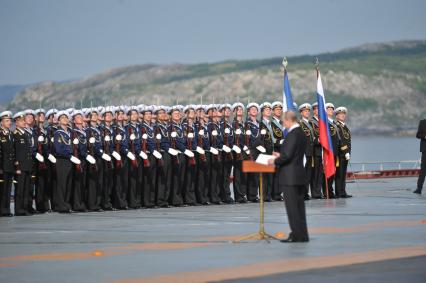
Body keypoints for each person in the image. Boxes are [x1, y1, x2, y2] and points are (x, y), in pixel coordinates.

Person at [269, 110, 309, 243]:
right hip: (299, 175)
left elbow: (287, 156)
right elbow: (294, 154)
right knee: (299, 208)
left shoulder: (293, 134)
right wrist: (282, 156)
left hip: (290, 177)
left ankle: (297, 235)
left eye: (284, 121)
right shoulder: (301, 133)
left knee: (292, 208)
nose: (283, 124)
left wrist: (274, 160)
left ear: (288, 120)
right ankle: (303, 234)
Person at [334, 107, 352, 198]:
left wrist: (348, 152)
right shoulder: (337, 126)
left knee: (343, 173)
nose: (343, 115)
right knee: (339, 174)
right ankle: (339, 192)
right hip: (341, 154)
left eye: (344, 114)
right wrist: (346, 151)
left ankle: (342, 191)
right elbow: (341, 140)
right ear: (336, 116)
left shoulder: (344, 126)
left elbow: (347, 140)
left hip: (345, 154)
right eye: (340, 114)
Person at [0, 111, 15, 217]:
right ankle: (2, 210)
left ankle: (6, 209)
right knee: (2, 189)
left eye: (10, 120)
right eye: (7, 121)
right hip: (2, 166)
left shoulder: (10, 134)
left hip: (10, 166)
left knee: (8, 189)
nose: (9, 123)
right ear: (1, 122)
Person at [414, 118, 426, 194]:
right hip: (425, 150)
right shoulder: (422, 122)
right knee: (423, 170)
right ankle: (419, 188)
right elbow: (418, 135)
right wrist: (424, 136)